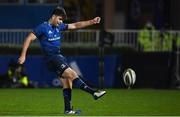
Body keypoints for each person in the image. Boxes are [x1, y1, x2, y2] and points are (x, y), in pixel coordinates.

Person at [18, 6, 106, 114]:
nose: (60, 22)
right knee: (72, 74)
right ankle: (93, 93)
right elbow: (29, 38)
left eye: (62, 20)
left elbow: (75, 25)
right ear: (53, 16)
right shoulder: (43, 27)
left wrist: (92, 21)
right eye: (59, 19)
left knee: (67, 81)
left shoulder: (59, 27)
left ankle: (68, 109)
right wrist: (23, 55)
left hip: (58, 57)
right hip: (52, 58)